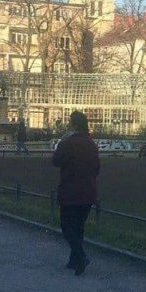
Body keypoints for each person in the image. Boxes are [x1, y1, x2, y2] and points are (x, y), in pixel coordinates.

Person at [51, 110, 99, 276]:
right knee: (78, 227)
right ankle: (74, 261)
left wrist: (62, 142)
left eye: (70, 122)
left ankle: (81, 256)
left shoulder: (68, 142)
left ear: (74, 125)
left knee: (66, 227)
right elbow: (97, 169)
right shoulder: (91, 143)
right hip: (88, 191)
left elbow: (55, 161)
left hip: (70, 191)